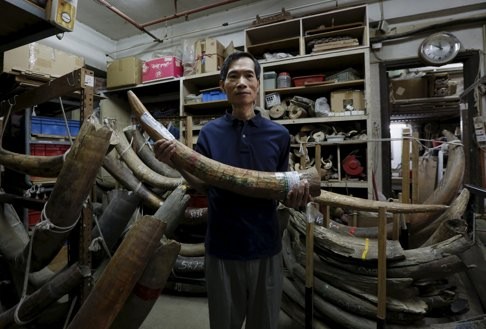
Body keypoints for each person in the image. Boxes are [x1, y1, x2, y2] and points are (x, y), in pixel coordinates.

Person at [154, 51, 311, 329]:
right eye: (234, 76)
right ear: (222, 86)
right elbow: (201, 184)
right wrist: (175, 162)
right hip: (222, 248)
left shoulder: (279, 135)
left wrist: (296, 197)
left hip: (266, 247)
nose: (242, 82)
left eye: (249, 75)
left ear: (258, 85)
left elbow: (281, 188)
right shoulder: (210, 134)